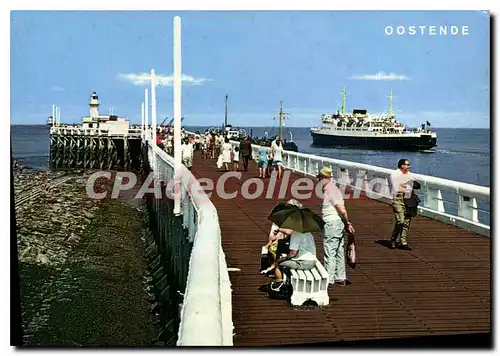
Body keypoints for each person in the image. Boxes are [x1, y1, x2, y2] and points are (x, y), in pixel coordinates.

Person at [318, 166, 355, 287]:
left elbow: (342, 209)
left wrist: (348, 222)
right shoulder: (330, 189)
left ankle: (328, 279)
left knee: (330, 250)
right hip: (337, 223)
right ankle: (340, 277)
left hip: (332, 223)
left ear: (324, 178)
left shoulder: (331, 190)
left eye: (319, 177)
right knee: (339, 249)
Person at [390, 158, 419, 250]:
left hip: (408, 198)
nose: (409, 166)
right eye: (407, 164)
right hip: (398, 199)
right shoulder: (394, 174)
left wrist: (407, 184)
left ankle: (403, 242)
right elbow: (397, 186)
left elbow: (416, 185)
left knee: (407, 221)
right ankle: (393, 238)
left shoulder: (410, 175)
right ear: (402, 165)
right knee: (400, 221)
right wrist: (408, 184)